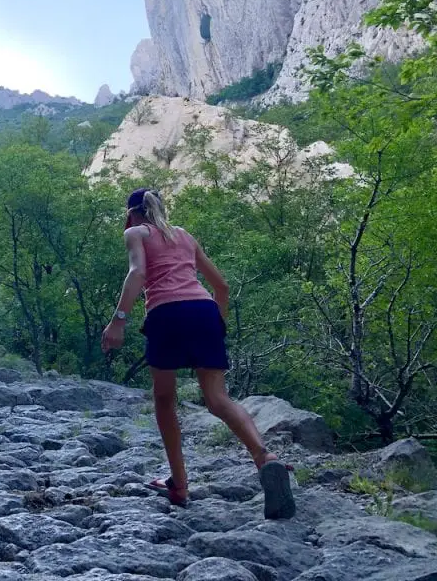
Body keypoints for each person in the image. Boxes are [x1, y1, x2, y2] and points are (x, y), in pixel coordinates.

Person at [101, 187, 295, 519]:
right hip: (204, 311)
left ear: (130, 213)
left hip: (166, 314)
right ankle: (265, 458)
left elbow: (138, 272)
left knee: (165, 399)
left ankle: (179, 483)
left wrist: (118, 320)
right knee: (218, 399)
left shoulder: (135, 232)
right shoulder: (184, 235)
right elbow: (221, 286)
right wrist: (217, 323)